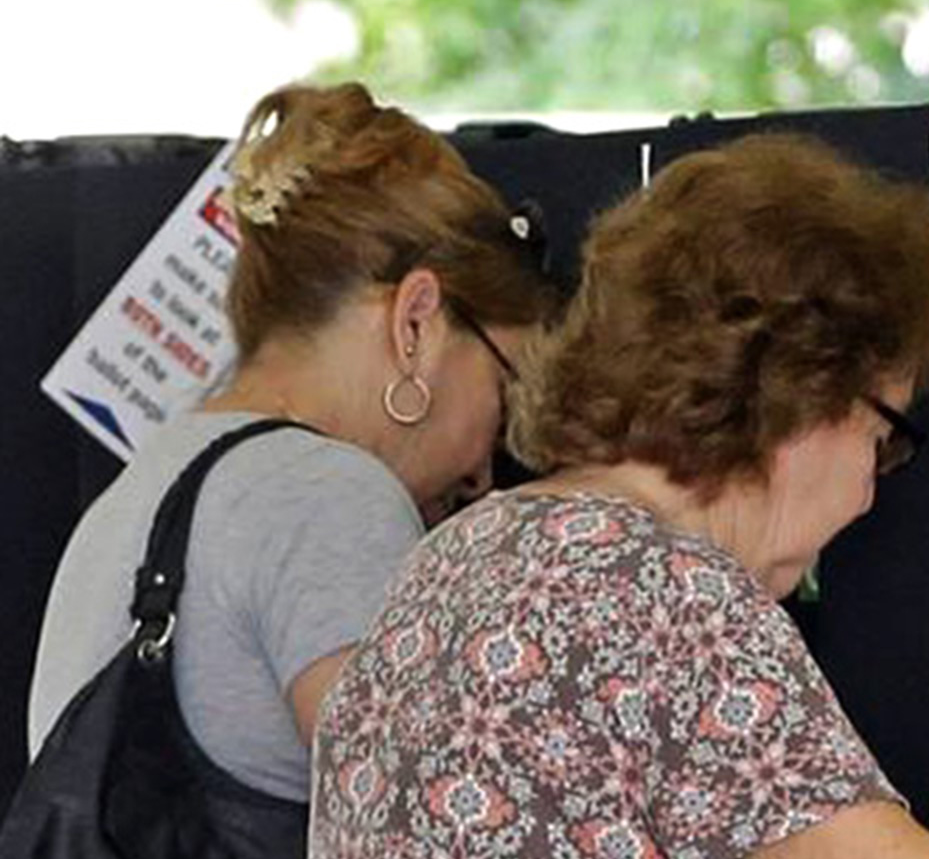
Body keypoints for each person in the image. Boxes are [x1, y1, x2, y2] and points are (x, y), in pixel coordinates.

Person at [299, 132, 929, 859]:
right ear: (808, 394)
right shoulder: (668, 600)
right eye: (884, 439)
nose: (869, 495)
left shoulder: (473, 553)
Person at [28, 81, 561, 801]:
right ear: (417, 321)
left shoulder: (150, 481)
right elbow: (432, 831)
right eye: (506, 391)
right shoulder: (326, 494)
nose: (485, 472)